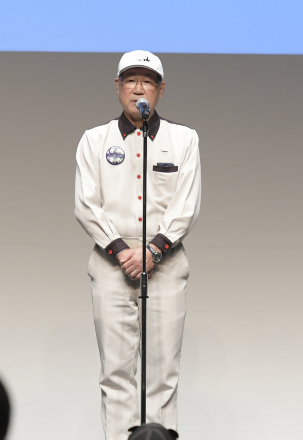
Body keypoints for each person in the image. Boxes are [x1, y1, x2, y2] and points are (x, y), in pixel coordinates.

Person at [75, 50, 201, 440]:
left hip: (165, 262)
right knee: (116, 372)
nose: (138, 88)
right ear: (117, 87)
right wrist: (121, 252)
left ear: (161, 90)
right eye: (130, 80)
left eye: (147, 81)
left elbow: (186, 204)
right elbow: (86, 204)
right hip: (111, 263)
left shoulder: (184, 139)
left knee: (162, 372)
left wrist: (153, 251)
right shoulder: (95, 140)